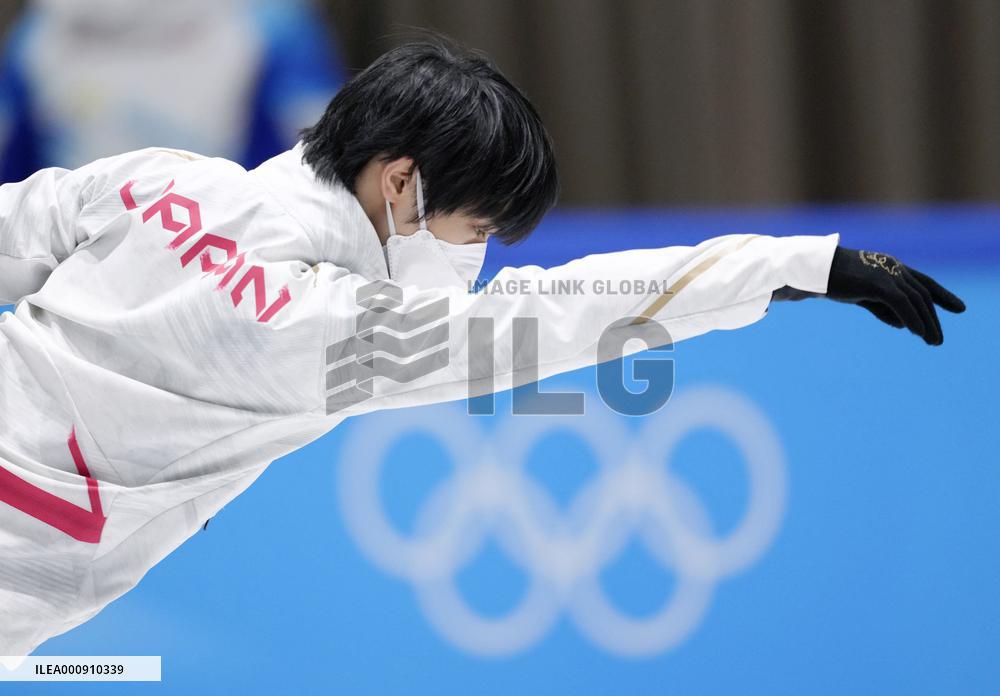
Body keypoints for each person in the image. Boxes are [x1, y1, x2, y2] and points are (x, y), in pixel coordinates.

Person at [0, 37, 964, 657]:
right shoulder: (322, 328)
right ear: (403, 185)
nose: (478, 263)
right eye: (475, 234)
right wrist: (799, 263)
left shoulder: (160, 180)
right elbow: (559, 314)